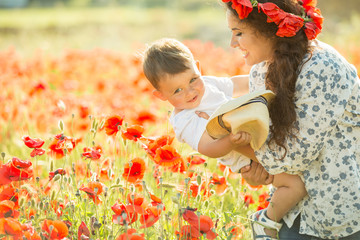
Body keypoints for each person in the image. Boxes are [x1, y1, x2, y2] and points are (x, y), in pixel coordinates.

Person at [220, 0, 360, 239]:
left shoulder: (322, 67)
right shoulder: (260, 71)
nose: (233, 43)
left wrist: (233, 146)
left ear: (269, 30)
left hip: (338, 213)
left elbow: (296, 155)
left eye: (239, 33)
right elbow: (268, 141)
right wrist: (257, 171)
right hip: (293, 212)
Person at [142, 38, 307, 239]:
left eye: (193, 79)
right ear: (161, 96)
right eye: (177, 90)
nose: (190, 91)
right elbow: (207, 147)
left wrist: (265, 79)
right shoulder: (184, 119)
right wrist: (231, 140)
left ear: (198, 68)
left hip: (253, 133)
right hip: (244, 156)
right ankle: (265, 222)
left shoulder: (208, 84)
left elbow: (234, 84)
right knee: (295, 184)